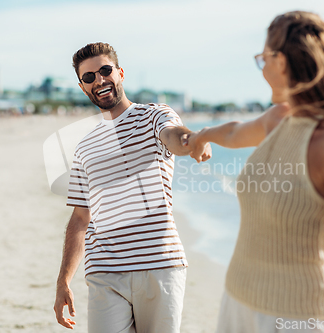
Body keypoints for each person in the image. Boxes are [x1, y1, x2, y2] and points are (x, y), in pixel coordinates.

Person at [184, 11, 324, 333]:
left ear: (281, 62)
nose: (262, 68)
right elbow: (234, 133)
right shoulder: (279, 119)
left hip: (297, 320)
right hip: (236, 302)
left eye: (263, 59)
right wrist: (202, 135)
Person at [53, 42, 211, 332]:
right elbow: (79, 218)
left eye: (105, 71)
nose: (99, 80)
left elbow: (173, 137)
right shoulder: (84, 147)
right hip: (104, 272)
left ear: (120, 73)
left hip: (160, 264)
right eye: (89, 77)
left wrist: (192, 140)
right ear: (82, 87)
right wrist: (64, 281)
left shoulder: (154, 116)